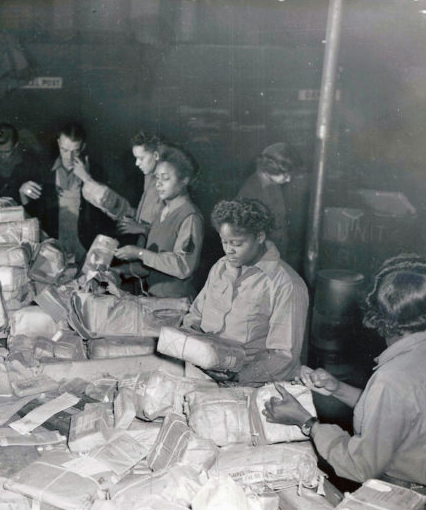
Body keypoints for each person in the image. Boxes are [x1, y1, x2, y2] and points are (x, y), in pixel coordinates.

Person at [264, 254, 426, 510]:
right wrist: (338, 388)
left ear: (379, 320)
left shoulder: (391, 379)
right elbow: (404, 418)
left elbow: (360, 464)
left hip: (403, 508)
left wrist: (306, 422)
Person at [183, 198, 308, 383]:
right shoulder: (221, 268)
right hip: (202, 372)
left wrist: (239, 377)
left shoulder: (285, 284)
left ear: (259, 237)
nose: (228, 250)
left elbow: (284, 355)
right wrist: (190, 339)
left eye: (237, 244)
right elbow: (195, 314)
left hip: (248, 384)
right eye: (224, 242)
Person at [113, 146, 204, 298]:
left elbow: (183, 266)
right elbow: (153, 264)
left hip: (176, 302)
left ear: (184, 180)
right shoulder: (162, 212)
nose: (158, 184)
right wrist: (121, 270)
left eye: (166, 178)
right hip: (155, 298)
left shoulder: (190, 217)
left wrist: (139, 253)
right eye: (156, 177)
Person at [25, 122, 115, 262]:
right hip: (54, 246)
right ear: (58, 143)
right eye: (64, 150)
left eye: (75, 151)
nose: (69, 157)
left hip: (85, 246)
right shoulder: (44, 170)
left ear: (83, 147)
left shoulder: (96, 171)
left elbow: (110, 212)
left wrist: (88, 179)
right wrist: (24, 193)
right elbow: (32, 213)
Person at [236, 142, 301, 261]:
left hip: (277, 253)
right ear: (270, 169)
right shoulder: (250, 192)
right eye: (285, 174)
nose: (289, 179)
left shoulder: (274, 185)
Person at [0, 123, 43, 202]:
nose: (2, 156)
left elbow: (35, 202)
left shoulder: (29, 164)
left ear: (16, 145)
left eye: (7, 152)